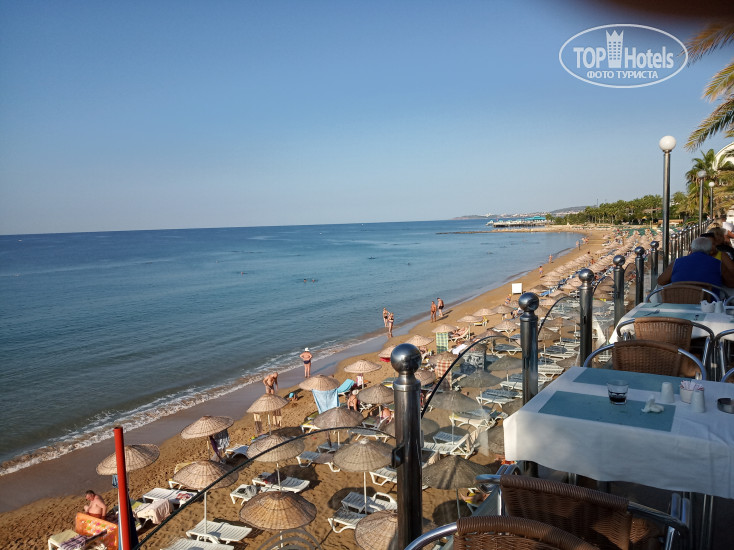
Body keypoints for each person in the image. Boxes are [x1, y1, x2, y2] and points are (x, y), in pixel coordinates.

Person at [657, 237, 734, 288]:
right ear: (710, 250)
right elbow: (731, 283)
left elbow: (661, 281)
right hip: (708, 303)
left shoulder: (676, 262)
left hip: (678, 300)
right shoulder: (718, 264)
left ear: (691, 249)